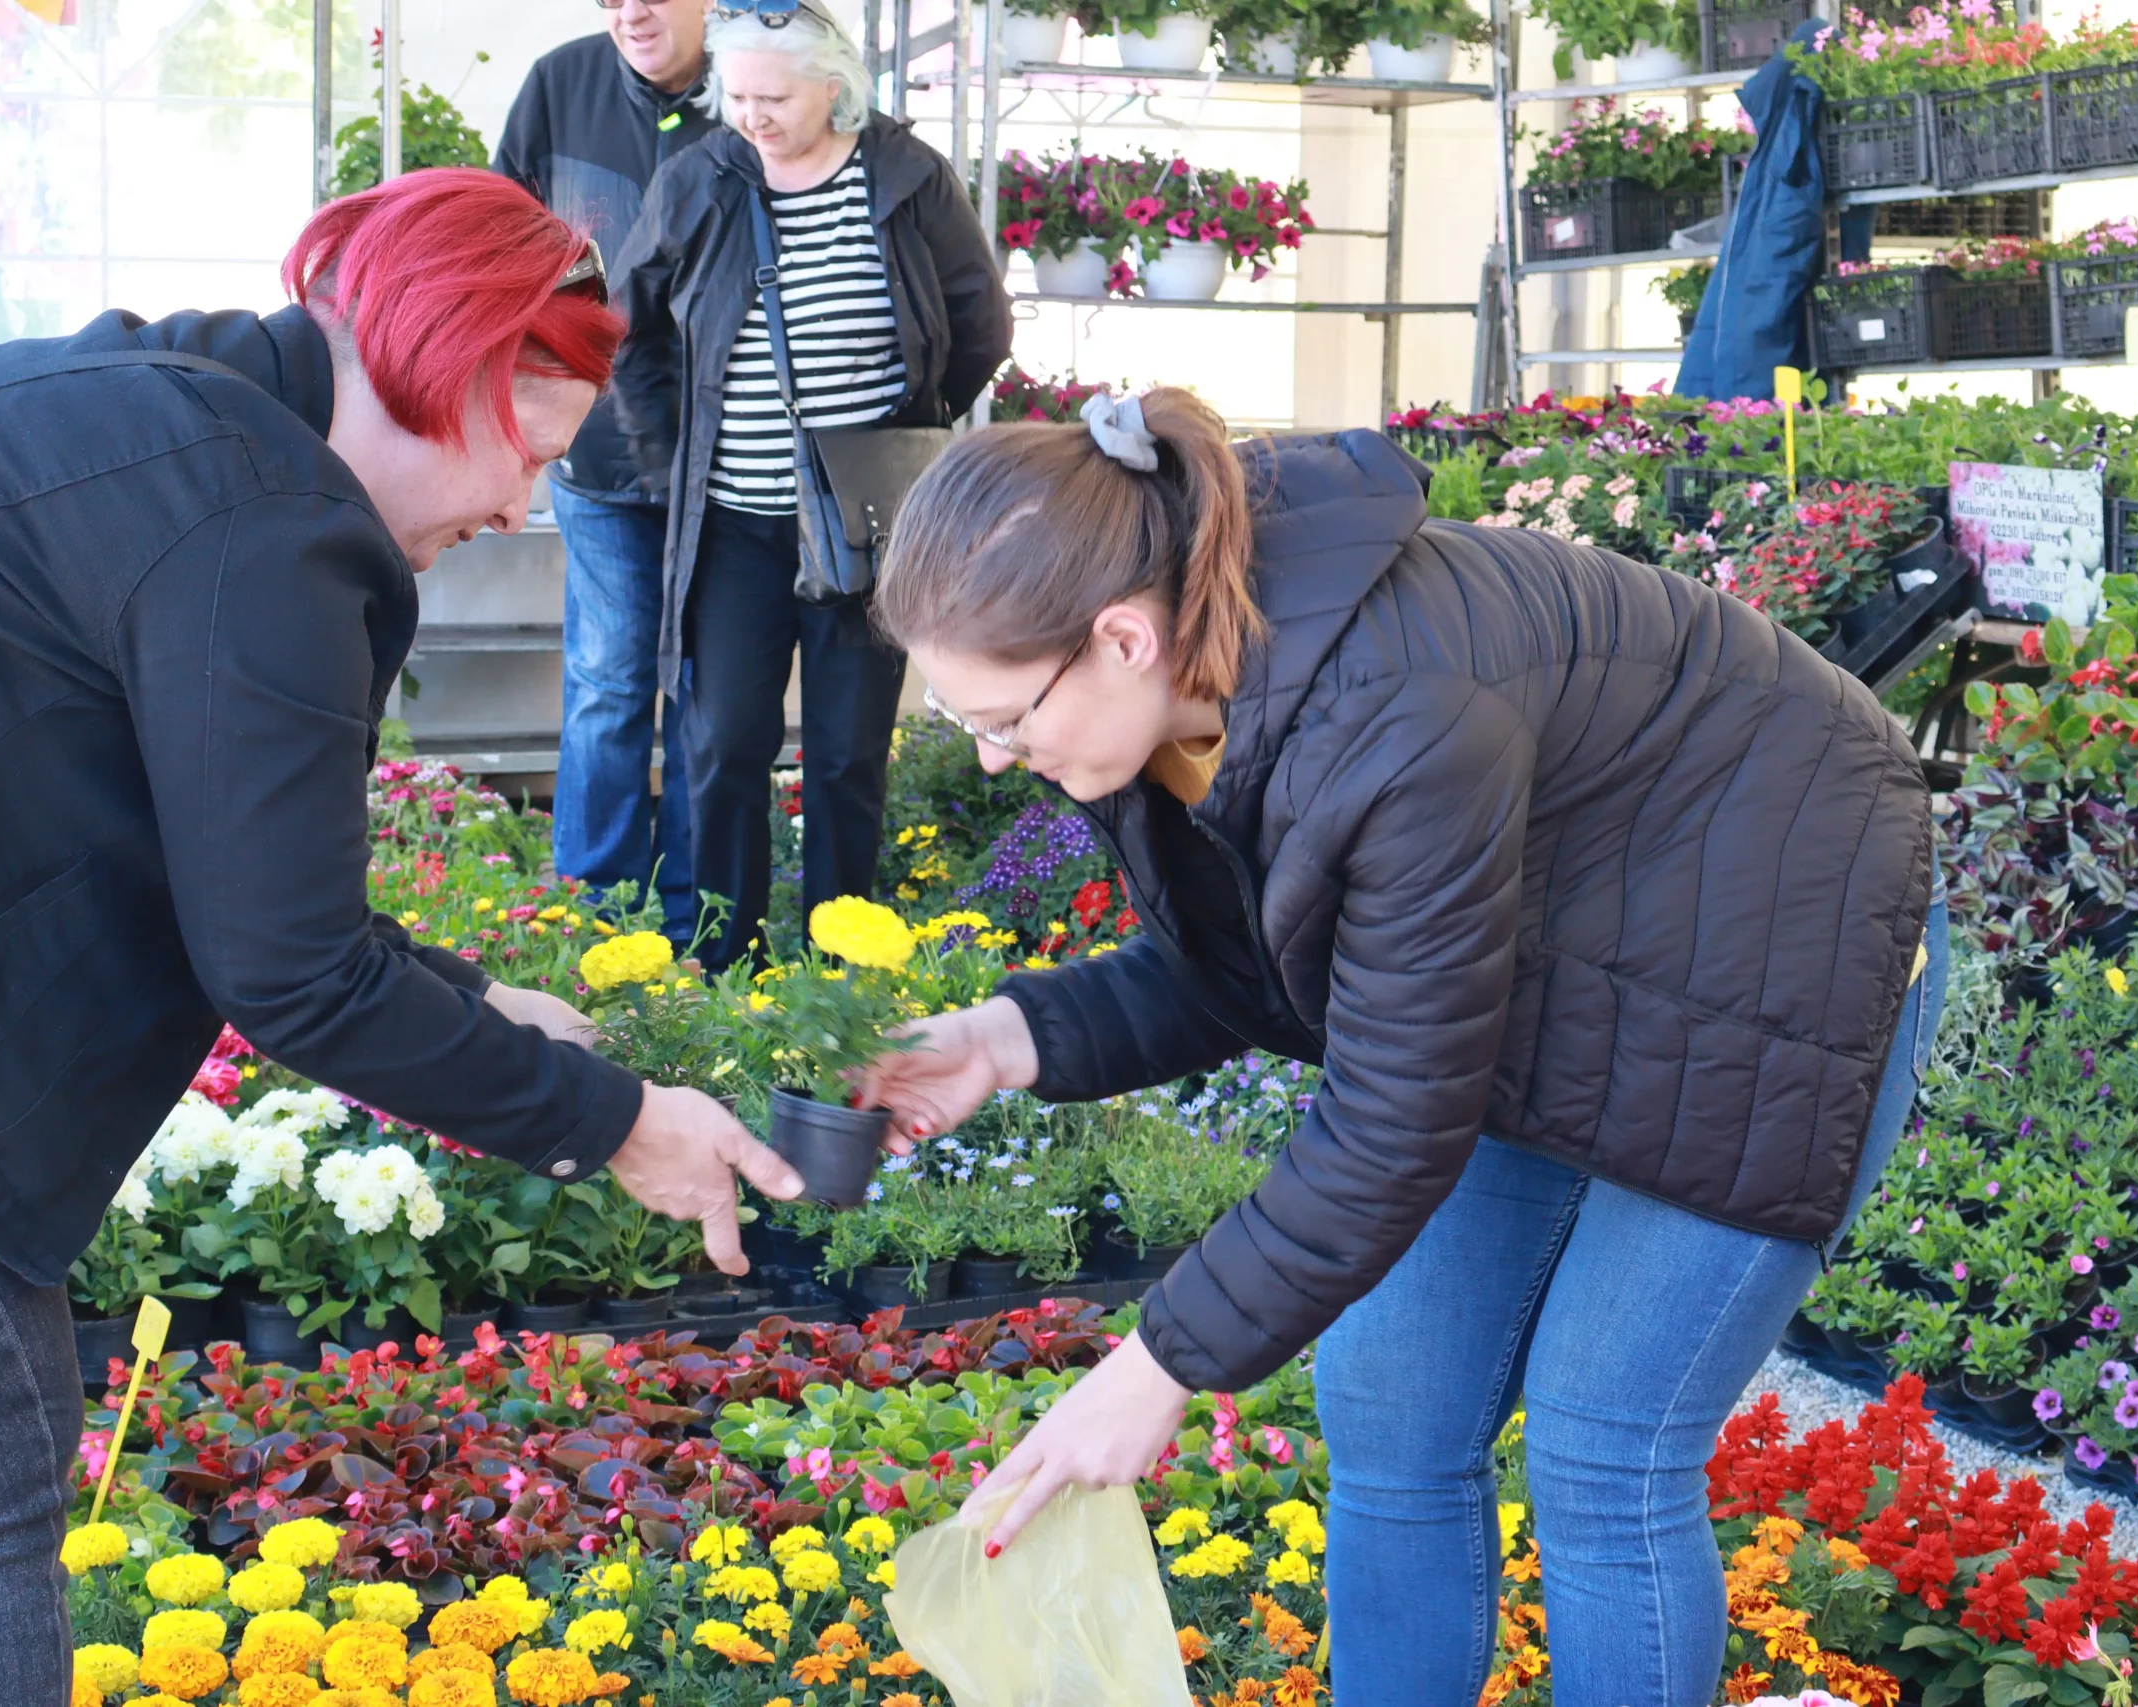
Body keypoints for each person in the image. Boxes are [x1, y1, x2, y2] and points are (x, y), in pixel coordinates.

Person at [0, 169, 803, 1707]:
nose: (520, 509)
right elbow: (289, 965)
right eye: (538, 449)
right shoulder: (266, 517)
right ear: (448, 359)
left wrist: (470, 995)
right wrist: (622, 1124)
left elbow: (231, 874)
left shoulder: (168, 403)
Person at [859, 388, 1948, 1706]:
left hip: (1780, 927)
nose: (990, 760)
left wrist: (1156, 1363)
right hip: (1575, 939)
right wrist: (1006, 1033)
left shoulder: (1397, 708)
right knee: (1391, 1399)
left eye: (1003, 716)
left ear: (1122, 637)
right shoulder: (1182, 701)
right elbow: (1254, 969)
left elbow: (1392, 1120)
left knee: (1606, 1439)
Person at [613, 0, 1010, 971]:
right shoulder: (698, 178)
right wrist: (674, 468)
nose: (750, 115)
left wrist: (903, 435)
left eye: (773, 97)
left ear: (833, 87)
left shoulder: (909, 178)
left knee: (846, 754)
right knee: (724, 752)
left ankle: (841, 963)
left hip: (867, 524)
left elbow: (979, 325)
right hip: (737, 525)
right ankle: (721, 960)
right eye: (735, 94)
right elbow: (634, 337)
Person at [494, 0, 717, 941]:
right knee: (610, 680)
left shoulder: (760, 90)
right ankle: (599, 919)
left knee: (713, 693)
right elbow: (499, 247)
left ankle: (704, 918)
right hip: (598, 451)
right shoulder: (559, 84)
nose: (629, 8)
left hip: (729, 464)